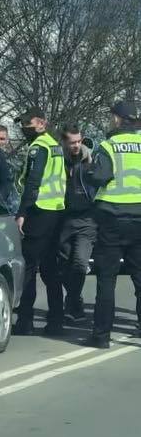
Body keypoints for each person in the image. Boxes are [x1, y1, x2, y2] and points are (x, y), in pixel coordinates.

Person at [83, 100, 141, 349]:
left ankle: (101, 336)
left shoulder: (108, 145)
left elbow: (100, 176)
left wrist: (88, 169)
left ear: (117, 119)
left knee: (107, 279)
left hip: (112, 219)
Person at [13, 108, 66, 336]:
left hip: (39, 210)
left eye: (28, 123)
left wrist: (22, 212)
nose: (24, 128)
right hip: (56, 211)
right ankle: (56, 321)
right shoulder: (55, 145)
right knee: (50, 268)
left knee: (29, 267)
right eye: (23, 124)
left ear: (42, 123)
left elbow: (33, 182)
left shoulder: (39, 147)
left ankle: (25, 321)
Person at [58, 125, 97, 323]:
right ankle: (75, 300)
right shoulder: (58, 160)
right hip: (63, 218)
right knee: (64, 265)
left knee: (80, 263)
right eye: (72, 142)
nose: (76, 145)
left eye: (79, 141)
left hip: (87, 219)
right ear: (64, 142)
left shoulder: (91, 160)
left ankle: (73, 301)